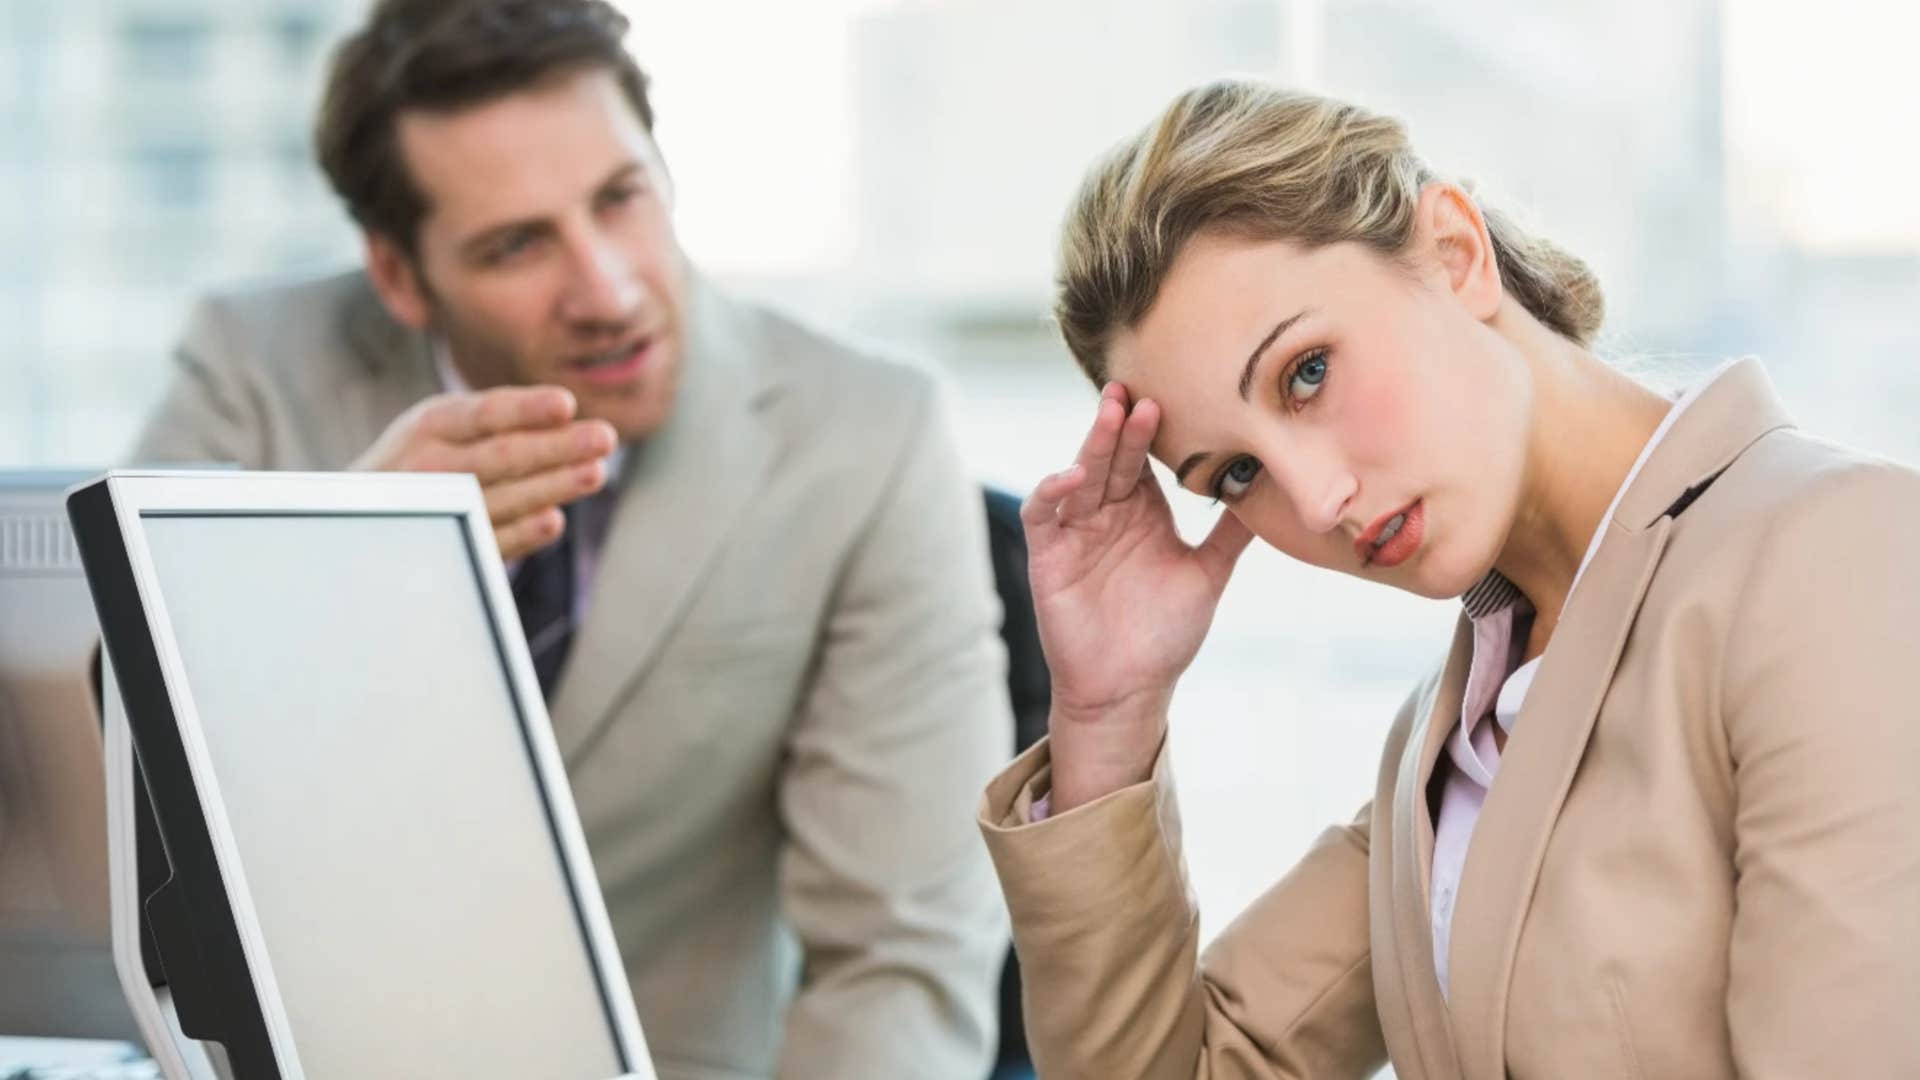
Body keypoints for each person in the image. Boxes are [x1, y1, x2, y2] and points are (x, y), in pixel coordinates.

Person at [131, 2, 1013, 1076]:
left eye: (620, 198)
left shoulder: (867, 437)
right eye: (516, 246)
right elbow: (113, 798)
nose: (609, 291)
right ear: (399, 276)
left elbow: (901, 957)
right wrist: (337, 573)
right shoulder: (251, 367)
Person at [979, 79, 1920, 1078]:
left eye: (1307, 372)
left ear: (1455, 253)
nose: (1319, 500)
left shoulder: (1837, 556)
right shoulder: (1435, 756)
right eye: (1238, 475)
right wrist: (1108, 717)